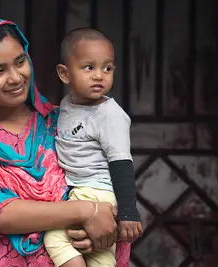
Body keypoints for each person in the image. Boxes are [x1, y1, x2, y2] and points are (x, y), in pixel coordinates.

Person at [0, 18, 130, 267]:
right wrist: (86, 212)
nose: (16, 77)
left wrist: (97, 235)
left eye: (20, 62)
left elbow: (107, 185)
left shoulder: (61, 123)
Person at [43, 28, 142, 267]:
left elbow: (121, 163)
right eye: (89, 67)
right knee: (100, 254)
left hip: (97, 192)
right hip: (79, 192)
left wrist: (128, 212)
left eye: (107, 68)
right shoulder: (67, 105)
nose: (99, 75)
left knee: (55, 237)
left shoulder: (109, 114)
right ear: (64, 74)